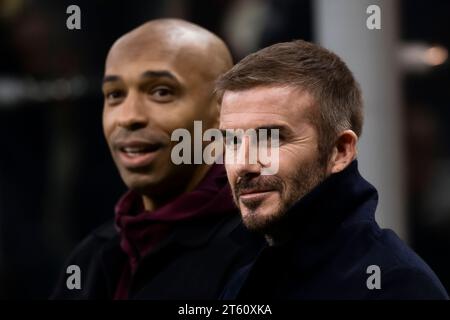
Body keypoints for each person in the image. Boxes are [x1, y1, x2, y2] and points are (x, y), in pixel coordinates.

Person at [216, 40, 449, 299]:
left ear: (340, 151)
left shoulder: (394, 285)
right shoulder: (244, 275)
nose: (243, 164)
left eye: (271, 138)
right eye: (233, 141)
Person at [51, 18, 262, 299]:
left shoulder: (262, 250)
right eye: (115, 94)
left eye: (161, 92)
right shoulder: (92, 256)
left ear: (223, 110)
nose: (128, 117)